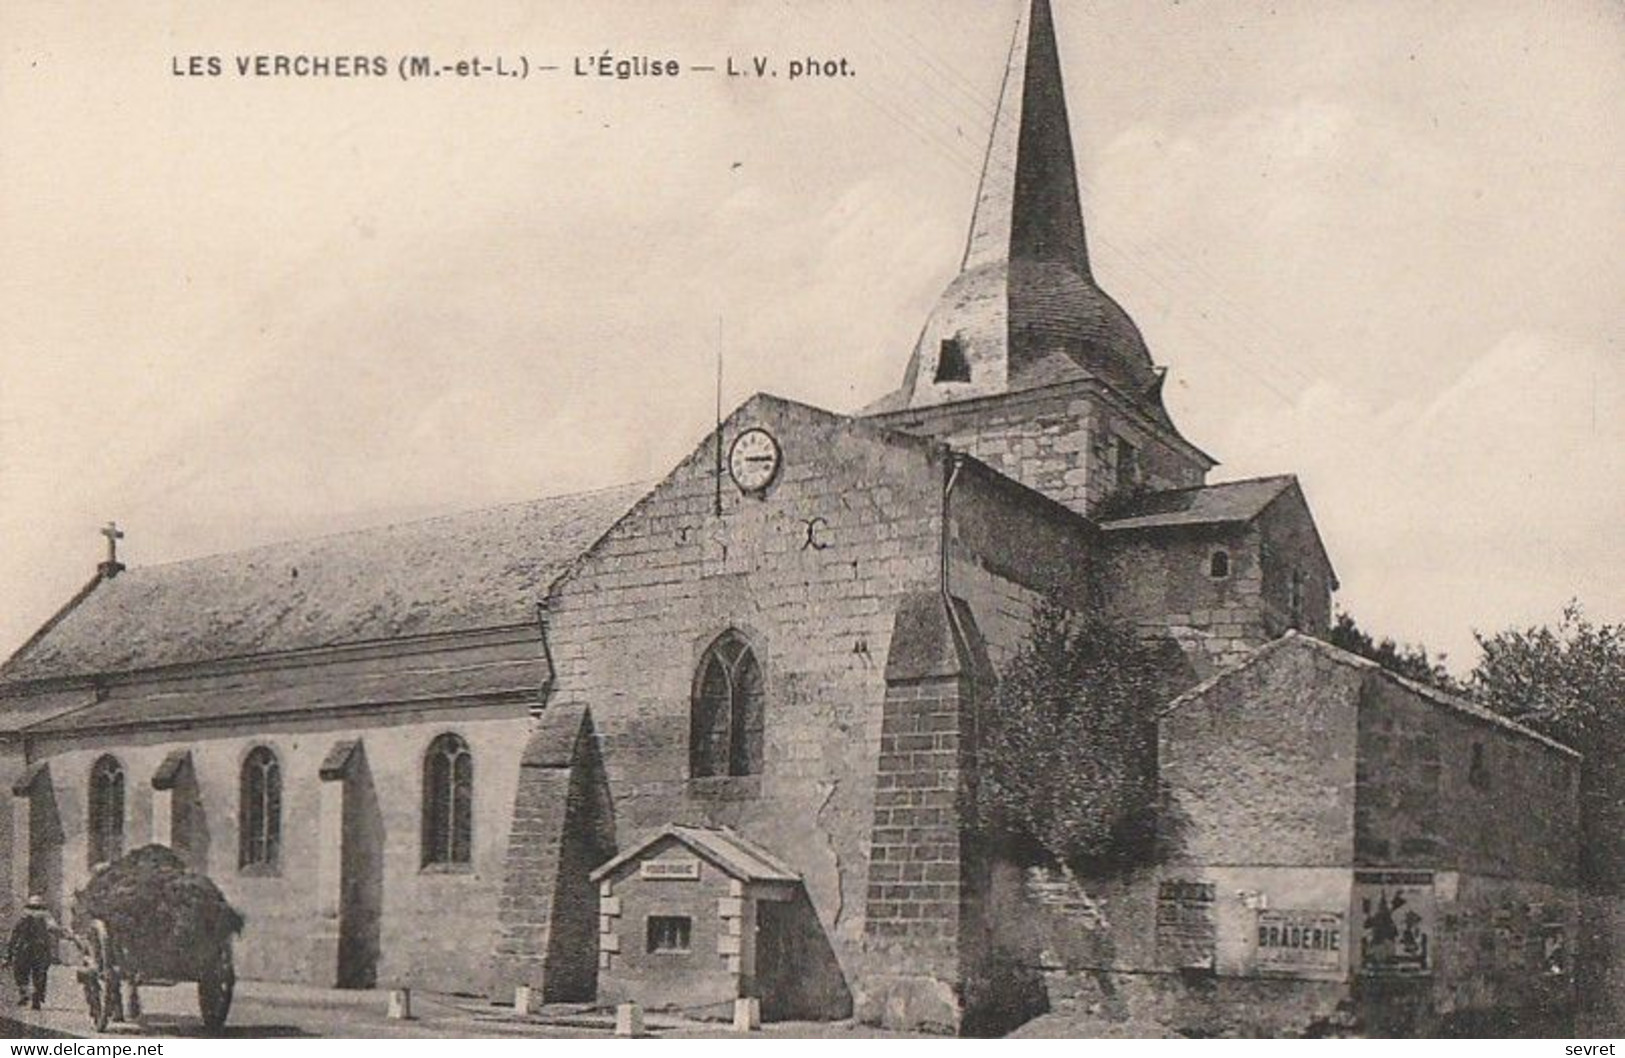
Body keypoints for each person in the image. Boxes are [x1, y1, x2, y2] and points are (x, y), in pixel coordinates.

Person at [6, 896, 61, 1009]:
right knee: (38, 974)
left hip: (26, 949)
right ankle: (35, 996)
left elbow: (14, 935)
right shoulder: (45, 916)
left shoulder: (24, 916)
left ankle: (27, 995)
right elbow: (54, 929)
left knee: (22, 973)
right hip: (39, 949)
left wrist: (10, 953)